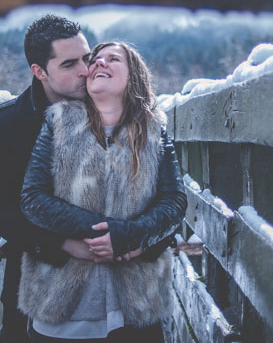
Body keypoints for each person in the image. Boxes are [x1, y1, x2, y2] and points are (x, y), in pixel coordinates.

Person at [20, 41, 187, 342]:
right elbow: (33, 198)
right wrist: (102, 233)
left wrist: (129, 235)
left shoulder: (153, 130)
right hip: (62, 301)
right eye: (95, 60)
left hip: (136, 303)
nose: (99, 64)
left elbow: (174, 202)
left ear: (133, 75)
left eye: (113, 59)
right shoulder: (58, 122)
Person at [0, 15, 95, 343]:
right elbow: (1, 209)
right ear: (40, 72)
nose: (85, 70)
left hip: (111, 278)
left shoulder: (112, 109)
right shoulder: (9, 123)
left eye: (87, 58)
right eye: (70, 63)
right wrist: (60, 245)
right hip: (36, 278)